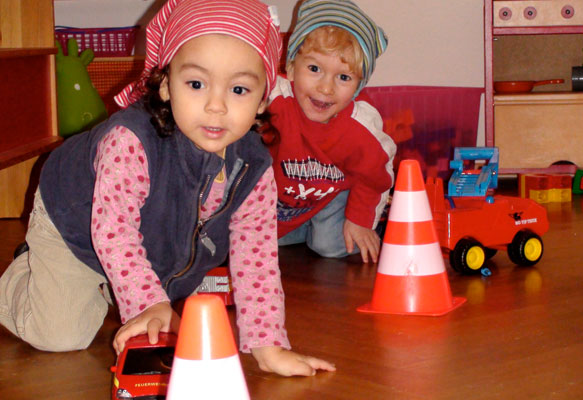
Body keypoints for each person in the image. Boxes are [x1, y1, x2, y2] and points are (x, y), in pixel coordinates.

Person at [0, 0, 335, 377]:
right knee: (62, 336)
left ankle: (115, 283)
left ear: (263, 99)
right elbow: (115, 232)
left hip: (150, 237)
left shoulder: (252, 165)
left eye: (239, 89)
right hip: (74, 221)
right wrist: (147, 302)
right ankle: (21, 274)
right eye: (195, 84)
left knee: (154, 300)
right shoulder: (130, 141)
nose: (216, 106)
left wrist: (268, 345)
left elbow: (256, 256)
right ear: (163, 86)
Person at [266, 0, 396, 264]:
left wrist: (360, 220)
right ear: (291, 68)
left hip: (333, 197)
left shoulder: (360, 128)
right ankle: (304, 228)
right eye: (314, 69)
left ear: (359, 87)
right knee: (260, 241)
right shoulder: (273, 101)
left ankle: (336, 226)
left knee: (334, 246)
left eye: (343, 78)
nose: (326, 88)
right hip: (281, 202)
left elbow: (375, 175)